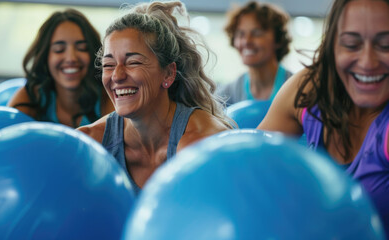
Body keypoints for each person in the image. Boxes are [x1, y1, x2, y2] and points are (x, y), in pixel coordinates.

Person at [257, 0, 389, 236]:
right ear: (332, 47)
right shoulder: (309, 88)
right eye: (351, 44)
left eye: (386, 45)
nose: (368, 62)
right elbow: (246, 168)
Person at [78, 1, 233, 194]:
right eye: (108, 65)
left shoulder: (200, 144)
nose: (117, 76)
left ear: (168, 74)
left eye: (133, 62)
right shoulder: (90, 144)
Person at [8, 8, 114, 128]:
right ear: (45, 56)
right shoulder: (31, 97)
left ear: (94, 54)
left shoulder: (108, 96)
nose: (71, 58)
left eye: (82, 48)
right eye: (59, 49)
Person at [217, 1, 292, 106]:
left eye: (257, 33)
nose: (246, 41)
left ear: (278, 40)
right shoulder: (228, 94)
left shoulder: (297, 88)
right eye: (240, 34)